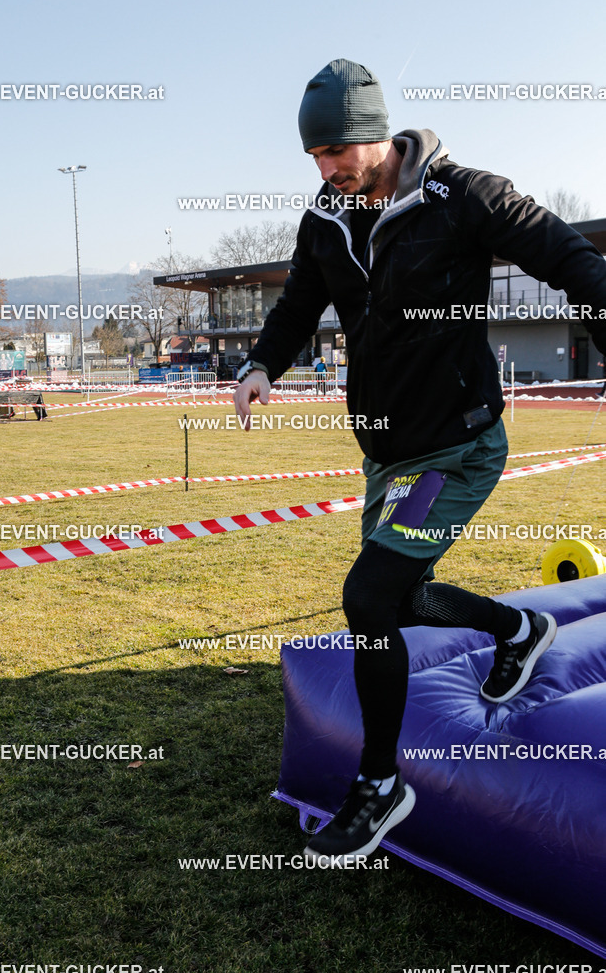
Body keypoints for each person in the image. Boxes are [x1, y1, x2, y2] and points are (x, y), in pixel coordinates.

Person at [233, 59, 606, 864]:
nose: (328, 169)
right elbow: (299, 302)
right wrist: (260, 362)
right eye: (315, 157)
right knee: (399, 597)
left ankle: (378, 785)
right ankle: (518, 625)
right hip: (390, 452)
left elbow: (572, 261)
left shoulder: (466, 196)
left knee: (368, 595)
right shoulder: (326, 217)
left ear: (374, 134)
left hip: (457, 442)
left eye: (337, 150)